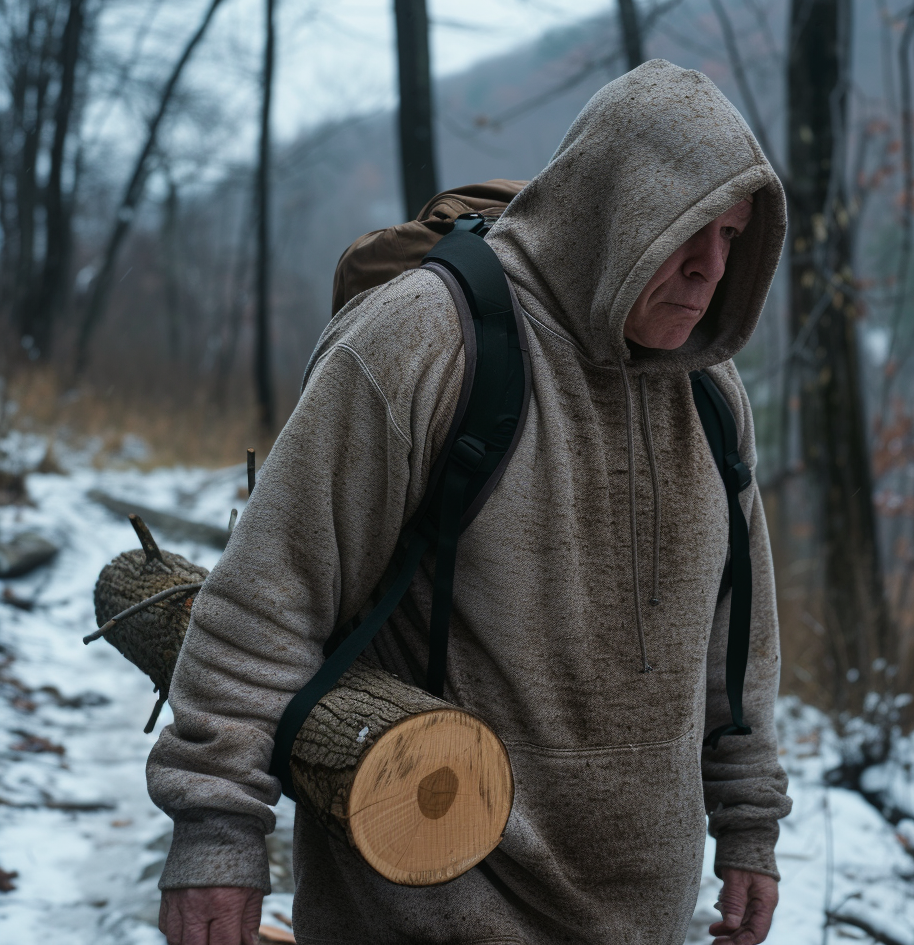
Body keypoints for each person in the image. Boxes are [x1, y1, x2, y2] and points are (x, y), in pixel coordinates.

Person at [149, 59, 792, 945]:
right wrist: (216, 833)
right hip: (423, 909)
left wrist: (750, 825)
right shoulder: (424, 339)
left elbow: (738, 639)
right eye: (687, 231)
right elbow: (268, 599)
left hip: (643, 919)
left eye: (732, 237)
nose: (709, 269)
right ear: (615, 213)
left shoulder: (711, 396)